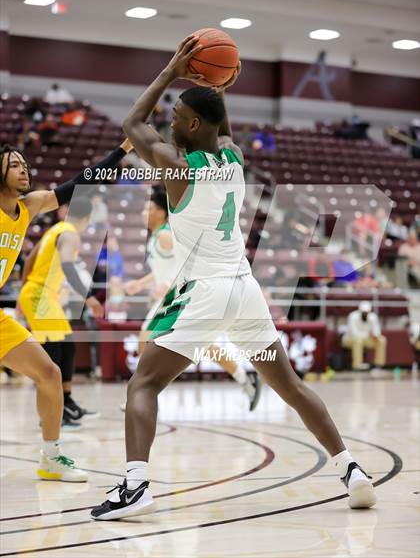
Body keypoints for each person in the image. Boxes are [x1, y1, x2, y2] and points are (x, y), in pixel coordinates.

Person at [91, 35, 376, 520]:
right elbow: (218, 127)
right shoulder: (234, 160)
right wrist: (217, 83)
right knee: (291, 386)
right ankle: (351, 469)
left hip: (203, 292)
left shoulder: (177, 167)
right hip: (245, 292)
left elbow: (132, 123)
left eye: (178, 117)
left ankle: (136, 485)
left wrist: (172, 70)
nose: (171, 123)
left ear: (193, 124)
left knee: (142, 385)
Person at [0, 137, 132, 481]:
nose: (24, 169)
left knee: (50, 374)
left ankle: (51, 458)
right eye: (14, 165)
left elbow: (80, 183)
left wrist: (123, 149)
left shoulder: (29, 207)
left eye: (25, 164)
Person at [124, 187, 261, 409]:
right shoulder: (159, 235)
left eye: (148, 208)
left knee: (147, 340)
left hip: (178, 295)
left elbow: (189, 260)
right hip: (173, 295)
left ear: (160, 212)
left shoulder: (166, 236)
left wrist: (170, 284)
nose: (143, 213)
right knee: (201, 344)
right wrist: (141, 283)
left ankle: (142, 393)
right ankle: (245, 379)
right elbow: (163, 267)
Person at [18, 198, 103, 429]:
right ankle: (51, 411)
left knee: (67, 345)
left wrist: (22, 291)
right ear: (85, 219)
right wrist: (90, 296)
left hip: (42, 295)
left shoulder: (54, 230)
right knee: (52, 353)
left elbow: (29, 260)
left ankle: (66, 401)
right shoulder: (71, 234)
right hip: (39, 296)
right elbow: (67, 266)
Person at [342, 302, 387, 370]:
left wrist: (375, 335)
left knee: (381, 340)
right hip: (349, 339)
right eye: (364, 313)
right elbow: (354, 333)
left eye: (367, 313)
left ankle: (379, 364)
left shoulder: (373, 317)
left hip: (365, 339)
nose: (365, 314)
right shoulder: (353, 316)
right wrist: (368, 335)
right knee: (358, 340)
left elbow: (376, 330)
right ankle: (357, 365)